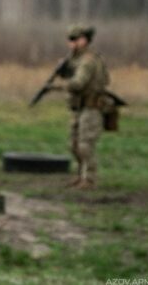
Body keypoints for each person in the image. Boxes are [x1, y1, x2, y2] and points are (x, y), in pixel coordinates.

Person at [55, 24, 110, 189]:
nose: (71, 43)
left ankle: (90, 179)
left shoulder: (88, 61)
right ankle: (81, 176)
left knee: (85, 145)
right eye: (69, 40)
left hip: (92, 107)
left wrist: (61, 85)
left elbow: (78, 83)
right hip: (79, 107)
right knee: (74, 144)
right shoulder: (76, 59)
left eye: (75, 39)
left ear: (84, 40)